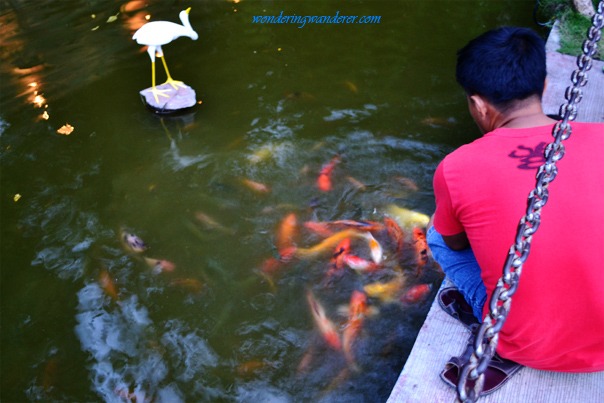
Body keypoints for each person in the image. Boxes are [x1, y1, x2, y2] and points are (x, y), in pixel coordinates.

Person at [428, 26, 604, 372]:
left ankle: (489, 327)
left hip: (529, 349)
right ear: (545, 87)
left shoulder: (457, 166)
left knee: (437, 234)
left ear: (477, 105)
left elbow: (456, 243)